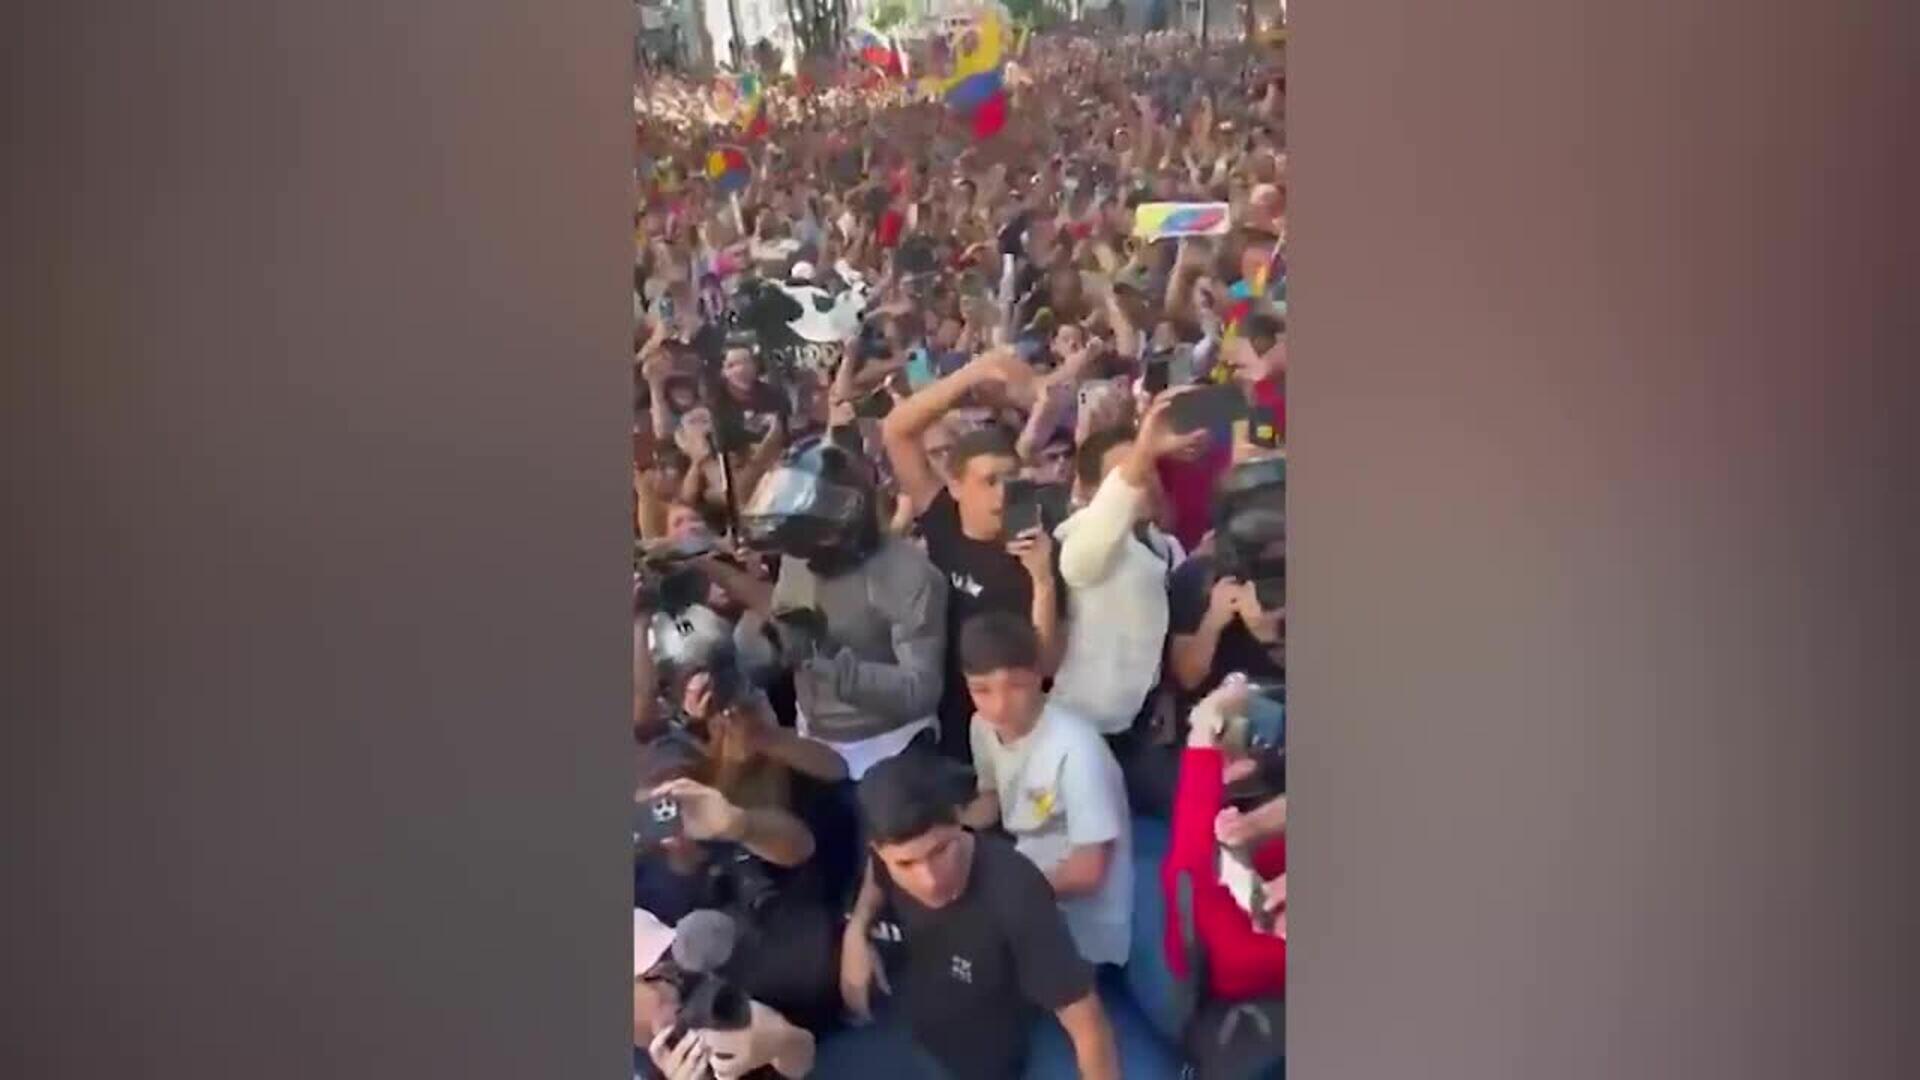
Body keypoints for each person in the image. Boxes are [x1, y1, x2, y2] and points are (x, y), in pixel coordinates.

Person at [840, 752, 1122, 1080]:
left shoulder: (1014, 891)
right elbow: (876, 878)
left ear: (960, 818)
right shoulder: (885, 855)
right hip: (907, 1025)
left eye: (941, 850)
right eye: (906, 864)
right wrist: (857, 930)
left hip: (983, 1061)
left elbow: (1087, 1023)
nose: (929, 879)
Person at [880, 347, 1068, 762]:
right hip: (945, 717)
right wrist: (972, 373)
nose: (1002, 492)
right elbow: (896, 431)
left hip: (1012, 732)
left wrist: (1042, 581)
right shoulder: (943, 518)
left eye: (1010, 480)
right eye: (989, 481)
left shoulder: (1037, 549)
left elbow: (1047, 663)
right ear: (957, 485)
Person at [953, 612, 1134, 970]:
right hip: (1027, 869)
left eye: (1015, 686)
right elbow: (991, 799)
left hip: (1082, 916)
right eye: (982, 690)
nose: (999, 706)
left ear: (1039, 675)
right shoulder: (982, 726)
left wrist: (1001, 898)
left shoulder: (1077, 747)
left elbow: (1088, 872)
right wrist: (949, 831)